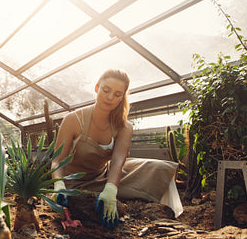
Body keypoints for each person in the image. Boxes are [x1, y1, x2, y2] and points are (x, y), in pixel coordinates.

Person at [52, 69, 183, 229]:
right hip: (75, 183)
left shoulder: (124, 126)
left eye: (117, 94)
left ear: (122, 97)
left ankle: (168, 223)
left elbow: (117, 162)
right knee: (82, 199)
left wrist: (110, 190)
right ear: (96, 88)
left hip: (105, 176)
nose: (110, 97)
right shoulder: (74, 119)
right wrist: (58, 185)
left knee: (161, 169)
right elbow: (58, 160)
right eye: (106, 90)